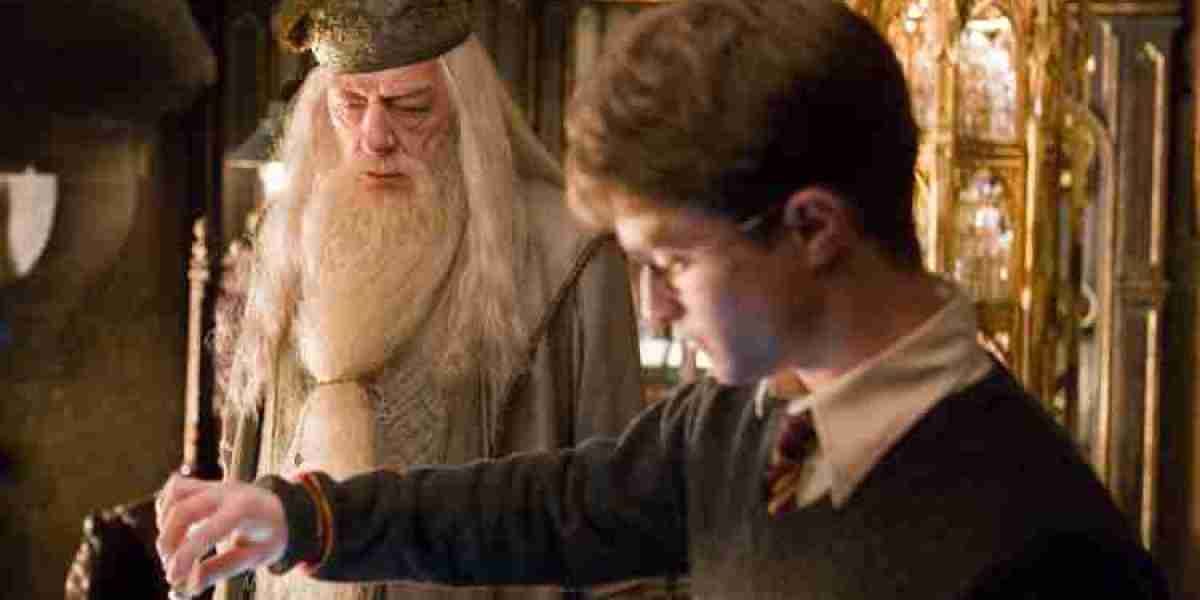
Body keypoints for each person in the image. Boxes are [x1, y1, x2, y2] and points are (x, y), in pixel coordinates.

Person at [158, 0, 1169, 598]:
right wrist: (295, 516)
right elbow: (540, 505)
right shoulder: (736, 424)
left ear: (814, 227)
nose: (649, 311)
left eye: (675, 263)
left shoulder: (1040, 542)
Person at [207, 1, 647, 600]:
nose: (375, 137)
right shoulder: (284, 236)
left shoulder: (571, 256)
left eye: (411, 106)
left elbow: (621, 515)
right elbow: (248, 456)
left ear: (467, 110)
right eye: (350, 104)